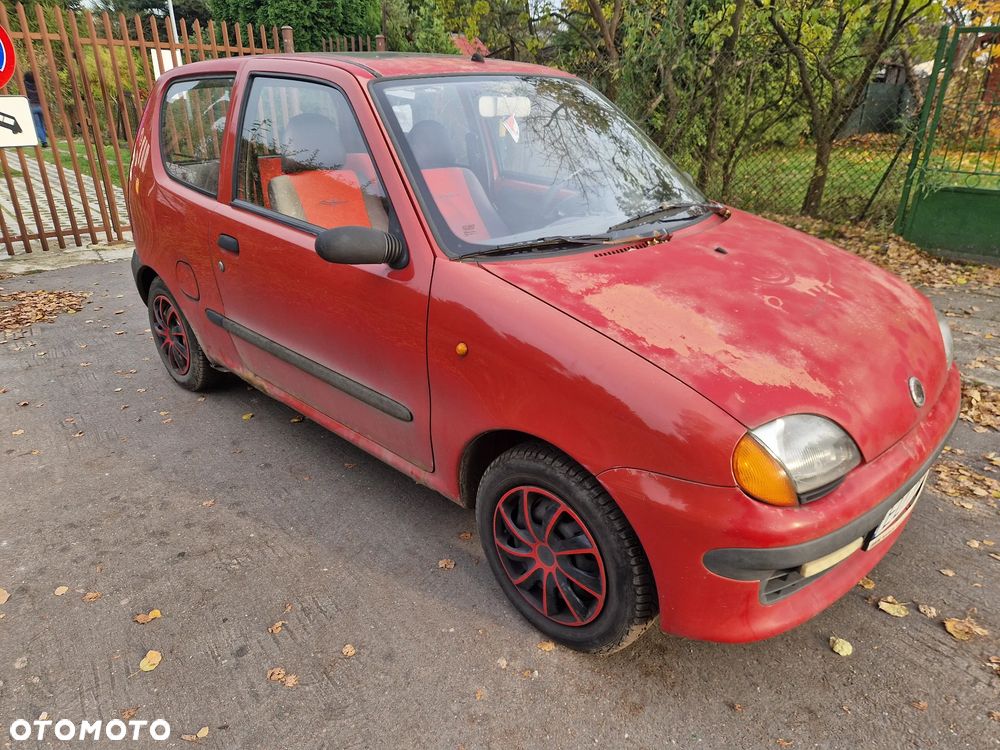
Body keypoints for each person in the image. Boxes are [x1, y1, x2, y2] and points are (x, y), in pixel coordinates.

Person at [23, 72, 47, 147]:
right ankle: (44, 139)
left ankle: (44, 141)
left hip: (32, 107)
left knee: (37, 125)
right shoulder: (37, 84)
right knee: (42, 124)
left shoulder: (24, 86)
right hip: (41, 106)